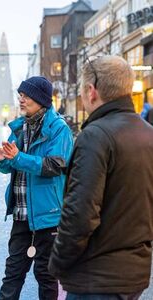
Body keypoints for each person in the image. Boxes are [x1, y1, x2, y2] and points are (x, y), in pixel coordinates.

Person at [49, 55, 153, 300]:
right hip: (133, 275)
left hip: (96, 278)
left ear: (91, 90)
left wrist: (58, 261)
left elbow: (81, 214)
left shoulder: (95, 136)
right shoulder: (148, 134)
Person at [0, 76, 73, 300]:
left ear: (41, 99)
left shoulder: (59, 129)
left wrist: (18, 158)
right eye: (20, 96)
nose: (21, 100)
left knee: (46, 276)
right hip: (21, 216)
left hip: (48, 217)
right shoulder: (20, 127)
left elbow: (55, 165)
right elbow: (10, 167)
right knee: (13, 273)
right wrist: (2, 159)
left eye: (26, 96)